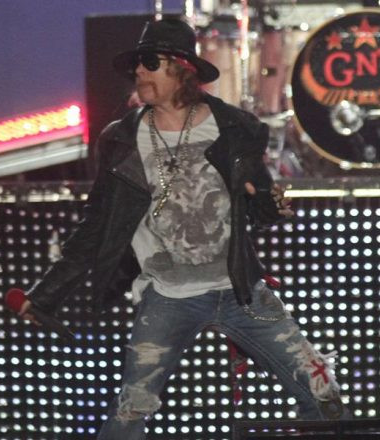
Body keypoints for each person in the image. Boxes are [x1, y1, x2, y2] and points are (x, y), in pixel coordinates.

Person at [19, 18, 346, 439]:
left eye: (150, 63)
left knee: (323, 393)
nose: (139, 71)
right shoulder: (121, 140)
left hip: (240, 291)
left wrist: (269, 205)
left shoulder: (235, 129)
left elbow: (259, 208)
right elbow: (95, 225)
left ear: (182, 69)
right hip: (168, 297)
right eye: (137, 64)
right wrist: (45, 294)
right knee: (131, 410)